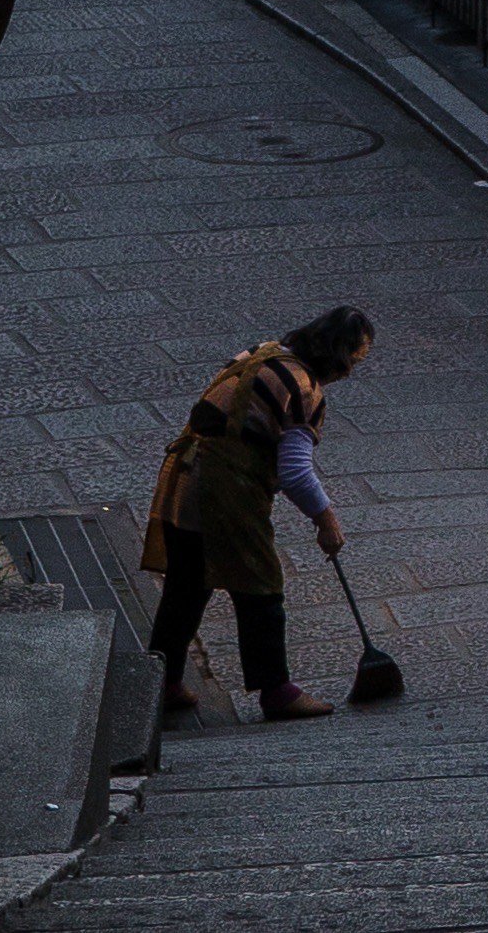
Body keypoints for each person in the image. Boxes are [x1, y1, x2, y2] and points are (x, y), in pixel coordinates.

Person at [144, 306, 373, 723]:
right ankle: (276, 691)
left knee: (187, 585)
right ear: (338, 357)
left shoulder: (261, 354)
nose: (352, 371)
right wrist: (326, 520)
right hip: (223, 489)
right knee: (260, 585)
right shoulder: (302, 388)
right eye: (354, 359)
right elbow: (296, 470)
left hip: (184, 477)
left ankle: (162, 681)